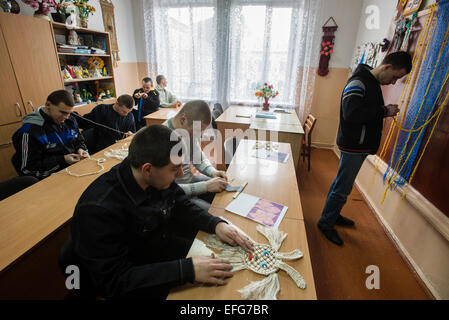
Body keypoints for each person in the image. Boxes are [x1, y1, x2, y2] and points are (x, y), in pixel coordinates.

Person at [59, 125, 253, 299]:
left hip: (154, 249)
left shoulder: (154, 178)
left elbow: (181, 204)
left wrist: (216, 224)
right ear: (147, 169)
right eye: (174, 169)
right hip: (128, 277)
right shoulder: (99, 209)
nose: (180, 175)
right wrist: (186, 270)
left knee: (224, 262)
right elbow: (114, 281)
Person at [317, 51, 412, 246]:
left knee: (342, 185)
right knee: (342, 187)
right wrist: (385, 111)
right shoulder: (359, 82)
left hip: (357, 145)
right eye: (394, 77)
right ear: (386, 67)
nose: (393, 83)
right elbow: (352, 113)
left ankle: (332, 215)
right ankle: (326, 223)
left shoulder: (370, 82)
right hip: (353, 145)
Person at [163, 100, 228, 211]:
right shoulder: (162, 138)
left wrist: (213, 172)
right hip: (174, 196)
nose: (200, 135)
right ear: (183, 119)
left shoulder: (189, 130)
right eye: (198, 130)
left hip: (188, 183)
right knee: (217, 213)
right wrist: (205, 186)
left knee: (225, 193)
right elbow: (167, 189)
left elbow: (199, 160)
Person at [11, 90, 88, 180]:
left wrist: (81, 149)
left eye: (69, 113)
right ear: (48, 105)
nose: (66, 117)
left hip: (74, 170)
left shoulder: (70, 119)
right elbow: (28, 169)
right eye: (63, 112)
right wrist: (62, 160)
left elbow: (79, 140)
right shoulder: (28, 132)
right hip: (51, 178)